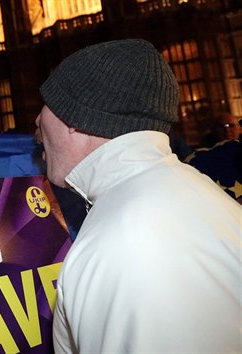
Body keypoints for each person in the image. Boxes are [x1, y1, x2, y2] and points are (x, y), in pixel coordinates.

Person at [35, 39, 241, 353]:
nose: (37, 121)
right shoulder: (205, 194)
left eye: (48, 103)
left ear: (76, 118)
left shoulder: (118, 243)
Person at [186, 112, 242, 204]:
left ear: (239, 129)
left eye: (231, 126)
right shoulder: (201, 158)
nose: (227, 130)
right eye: (222, 126)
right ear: (213, 129)